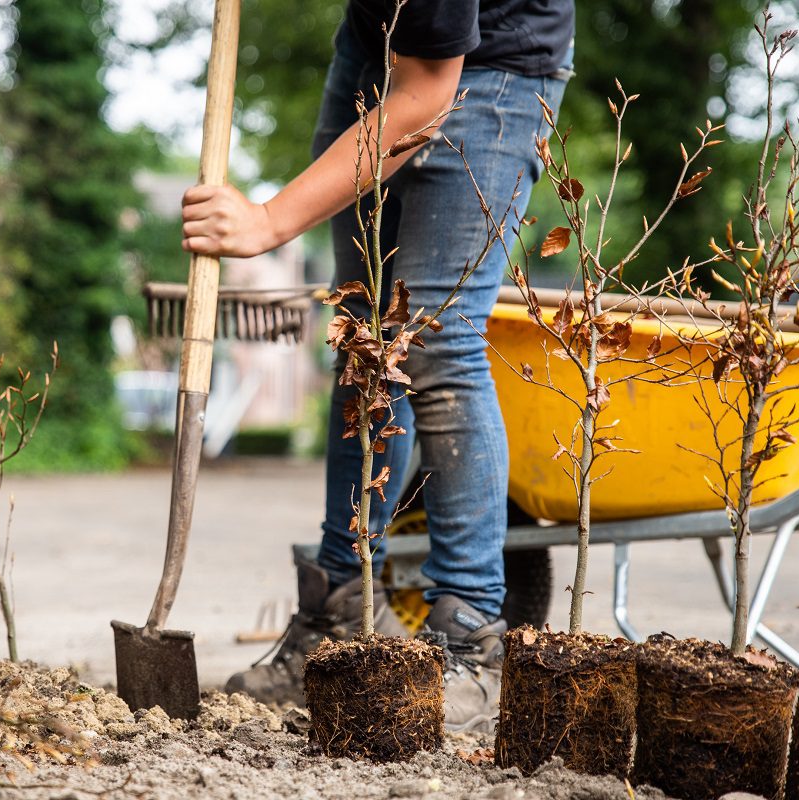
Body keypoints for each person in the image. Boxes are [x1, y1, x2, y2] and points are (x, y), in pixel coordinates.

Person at [180, 0, 574, 731]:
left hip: (490, 71)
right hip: (376, 50)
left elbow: (424, 94)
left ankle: (470, 640)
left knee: (432, 337)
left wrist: (267, 221)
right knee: (363, 336)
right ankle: (335, 618)